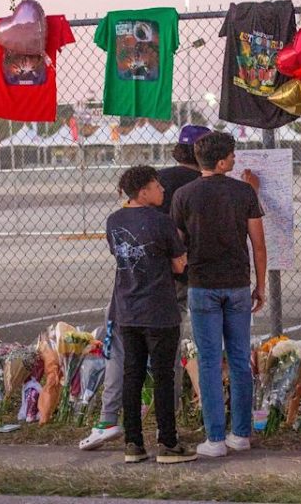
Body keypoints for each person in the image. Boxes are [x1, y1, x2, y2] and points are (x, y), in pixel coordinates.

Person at [79, 125, 210, 451]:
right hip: (172, 287)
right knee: (168, 361)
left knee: (125, 361)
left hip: (131, 293)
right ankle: (170, 431)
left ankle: (115, 425)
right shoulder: (202, 186)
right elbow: (181, 255)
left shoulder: (139, 196)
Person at [171, 131, 267, 457]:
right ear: (223, 161)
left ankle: (214, 439)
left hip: (201, 285)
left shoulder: (184, 195)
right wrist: (261, 285)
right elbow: (258, 243)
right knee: (240, 360)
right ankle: (240, 434)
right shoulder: (244, 193)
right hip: (238, 284)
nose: (236, 159)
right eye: (233, 155)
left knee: (209, 362)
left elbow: (178, 245)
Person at [104, 165, 196, 464]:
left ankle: (133, 443)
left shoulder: (114, 221)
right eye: (157, 186)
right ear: (143, 191)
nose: (163, 190)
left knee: (133, 373)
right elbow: (178, 264)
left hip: (127, 308)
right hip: (159, 308)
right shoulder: (161, 222)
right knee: (162, 375)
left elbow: (120, 254)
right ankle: (168, 442)